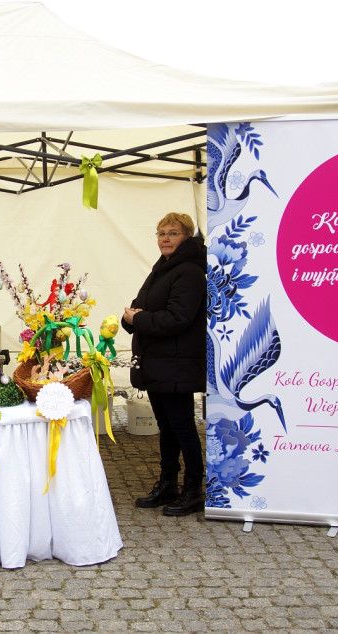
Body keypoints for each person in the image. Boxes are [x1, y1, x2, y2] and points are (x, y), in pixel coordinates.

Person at [122, 212, 206, 516]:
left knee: (182, 427)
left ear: (186, 237)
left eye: (172, 233)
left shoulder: (189, 272)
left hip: (176, 364)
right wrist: (130, 317)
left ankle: (193, 488)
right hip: (158, 363)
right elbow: (142, 305)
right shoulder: (163, 268)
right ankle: (168, 482)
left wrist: (140, 318)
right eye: (161, 233)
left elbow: (178, 318)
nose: (165, 239)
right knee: (167, 427)